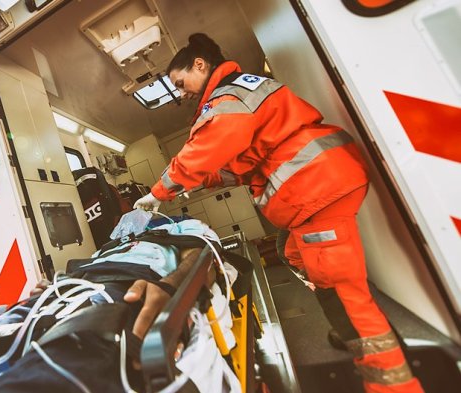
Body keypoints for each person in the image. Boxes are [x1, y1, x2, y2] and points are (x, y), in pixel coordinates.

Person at [133, 33, 422, 393]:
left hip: (314, 189)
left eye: (180, 83)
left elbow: (205, 148)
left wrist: (158, 193)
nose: (181, 93)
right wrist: (202, 180)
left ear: (200, 65)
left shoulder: (225, 99)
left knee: (349, 296)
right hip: (318, 183)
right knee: (293, 253)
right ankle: (342, 324)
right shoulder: (242, 90)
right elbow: (242, 163)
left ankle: (391, 381)